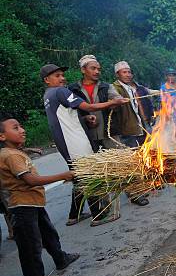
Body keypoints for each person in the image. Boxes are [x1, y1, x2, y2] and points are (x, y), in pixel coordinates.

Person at [0, 115, 80, 276]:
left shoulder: (13, 152)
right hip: (22, 207)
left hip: (33, 204)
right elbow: (31, 180)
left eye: (21, 126)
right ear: (2, 137)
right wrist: (63, 175)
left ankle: (60, 258)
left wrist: (28, 150)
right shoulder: (11, 156)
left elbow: (16, 157)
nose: (22, 130)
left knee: (48, 234)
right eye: (15, 128)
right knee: (30, 246)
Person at [42, 64, 127, 226]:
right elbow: (87, 106)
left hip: (65, 143)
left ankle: (74, 215)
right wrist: (112, 103)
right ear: (47, 80)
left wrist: (85, 119)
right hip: (76, 142)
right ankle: (99, 215)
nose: (62, 78)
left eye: (62, 75)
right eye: (57, 76)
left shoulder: (48, 95)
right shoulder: (61, 91)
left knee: (79, 177)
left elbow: (65, 117)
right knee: (90, 174)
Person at [110, 61, 150, 207]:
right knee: (131, 164)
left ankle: (142, 187)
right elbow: (113, 98)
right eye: (124, 72)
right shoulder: (115, 88)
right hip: (126, 131)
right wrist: (117, 100)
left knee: (141, 160)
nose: (128, 74)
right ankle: (135, 194)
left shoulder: (133, 88)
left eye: (129, 72)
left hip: (139, 128)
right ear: (117, 74)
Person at [68, 55, 122, 151]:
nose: (97, 72)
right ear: (83, 70)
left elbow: (118, 99)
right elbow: (70, 113)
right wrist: (85, 118)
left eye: (98, 69)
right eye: (93, 68)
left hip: (108, 134)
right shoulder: (73, 89)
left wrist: (117, 102)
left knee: (117, 163)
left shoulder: (106, 87)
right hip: (86, 136)